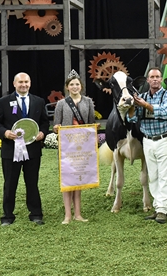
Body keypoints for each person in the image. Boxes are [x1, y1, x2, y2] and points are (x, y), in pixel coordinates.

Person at [0, 72, 49, 226]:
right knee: (10, 183)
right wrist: (5, 133)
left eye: (26, 82)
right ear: (14, 84)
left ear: (30, 83)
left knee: (32, 182)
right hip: (10, 150)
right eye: (20, 82)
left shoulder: (39, 101)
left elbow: (44, 122)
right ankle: (7, 216)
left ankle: (36, 214)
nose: (24, 85)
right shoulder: (3, 102)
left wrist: (42, 132)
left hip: (33, 150)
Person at [128, 67, 167, 224]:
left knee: (164, 175)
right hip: (148, 140)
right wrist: (132, 107)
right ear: (147, 80)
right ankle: (158, 207)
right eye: (152, 77)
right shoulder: (141, 96)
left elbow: (165, 112)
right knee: (153, 176)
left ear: (161, 79)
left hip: (165, 139)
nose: (155, 79)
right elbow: (133, 119)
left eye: (158, 77)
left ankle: (162, 209)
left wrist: (146, 105)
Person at [53, 70, 96, 224]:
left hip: (82, 146)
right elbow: (56, 124)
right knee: (67, 179)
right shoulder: (61, 104)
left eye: (77, 84)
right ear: (67, 87)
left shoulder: (88, 102)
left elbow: (90, 123)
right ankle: (67, 215)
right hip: (67, 146)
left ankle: (78, 214)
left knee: (78, 179)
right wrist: (57, 128)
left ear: (81, 86)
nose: (75, 87)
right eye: (71, 84)